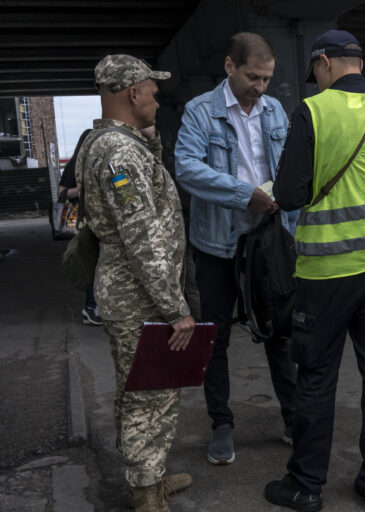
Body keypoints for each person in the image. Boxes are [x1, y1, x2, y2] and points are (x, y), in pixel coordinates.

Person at [263, 30, 365, 512]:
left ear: (323, 64)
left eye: (315, 70)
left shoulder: (311, 112)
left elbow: (289, 195)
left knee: (317, 377)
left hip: (326, 273)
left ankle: (306, 486)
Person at [76, 54, 195, 511]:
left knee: (137, 386)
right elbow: (142, 235)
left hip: (125, 288)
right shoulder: (120, 152)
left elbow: (146, 198)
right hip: (139, 292)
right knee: (151, 392)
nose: (157, 98)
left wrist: (152, 144)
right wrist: (174, 309)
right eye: (153, 90)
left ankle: (147, 475)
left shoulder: (104, 142)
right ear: (132, 93)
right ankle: (148, 494)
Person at [174, 32, 298, 465]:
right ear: (229, 67)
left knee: (279, 333)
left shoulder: (277, 110)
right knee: (215, 338)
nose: (260, 87)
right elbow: (187, 169)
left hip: (268, 241)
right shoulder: (199, 112)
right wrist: (243, 194)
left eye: (266, 78)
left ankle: (292, 417)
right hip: (216, 244)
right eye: (253, 77)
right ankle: (221, 425)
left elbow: (290, 166)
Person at [58, 128, 104, 326]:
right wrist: (83, 188)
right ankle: (91, 307)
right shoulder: (74, 165)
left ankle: (95, 306)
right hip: (82, 222)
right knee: (91, 264)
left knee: (99, 265)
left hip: (97, 222)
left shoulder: (98, 164)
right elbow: (61, 193)